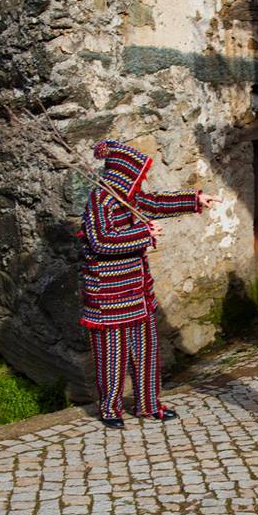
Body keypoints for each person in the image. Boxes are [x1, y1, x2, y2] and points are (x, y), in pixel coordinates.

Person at [80, 140, 216, 429]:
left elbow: (154, 203)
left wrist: (194, 200)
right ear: (124, 174)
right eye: (137, 176)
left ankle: (148, 404)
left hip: (138, 291)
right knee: (111, 354)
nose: (140, 181)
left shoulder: (129, 198)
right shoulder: (99, 201)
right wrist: (144, 233)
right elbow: (100, 241)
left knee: (145, 350)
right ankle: (111, 408)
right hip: (109, 295)